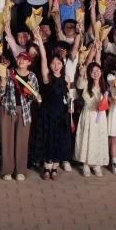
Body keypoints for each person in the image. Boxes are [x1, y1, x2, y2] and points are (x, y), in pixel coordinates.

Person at [31, 28, 72, 180]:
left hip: (61, 113)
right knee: (47, 137)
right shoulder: (47, 77)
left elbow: (67, 96)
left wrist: (70, 106)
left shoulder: (66, 79)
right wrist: (39, 40)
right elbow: (43, 57)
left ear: (62, 64)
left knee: (58, 138)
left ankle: (55, 165)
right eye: (53, 63)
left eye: (58, 63)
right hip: (47, 112)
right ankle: (47, 166)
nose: (56, 65)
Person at [0, 50, 39, 181]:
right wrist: (2, 81)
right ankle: (7, 170)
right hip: (7, 109)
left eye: (24, 59)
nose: (21, 61)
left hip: (24, 111)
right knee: (7, 141)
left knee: (22, 141)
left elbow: (34, 97)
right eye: (19, 59)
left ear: (29, 62)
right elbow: (0, 93)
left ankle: (20, 170)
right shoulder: (9, 72)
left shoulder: (32, 77)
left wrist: (30, 92)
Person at [75, 60, 109, 177]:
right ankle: (85, 164)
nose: (96, 73)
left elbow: (108, 100)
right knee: (87, 138)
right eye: (93, 71)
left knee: (98, 138)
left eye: (98, 70)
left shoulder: (104, 85)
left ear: (101, 72)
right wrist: (81, 75)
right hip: (89, 114)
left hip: (100, 116)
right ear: (89, 73)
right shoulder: (85, 83)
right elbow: (79, 85)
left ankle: (96, 164)